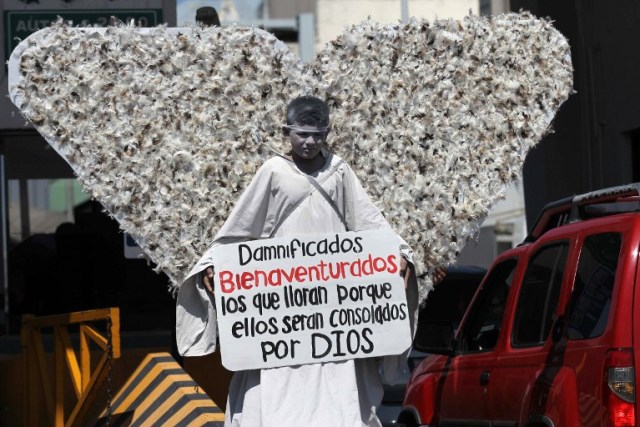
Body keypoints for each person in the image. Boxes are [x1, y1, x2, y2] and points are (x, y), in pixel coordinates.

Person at [176, 95, 422, 427]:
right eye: (302, 134)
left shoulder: (339, 171)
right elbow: (240, 227)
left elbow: (369, 222)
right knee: (277, 387)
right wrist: (213, 264)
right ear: (286, 132)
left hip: (333, 305)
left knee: (340, 387)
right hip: (281, 307)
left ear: (327, 132)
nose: (309, 142)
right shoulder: (274, 170)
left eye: (317, 134)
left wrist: (398, 254)